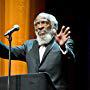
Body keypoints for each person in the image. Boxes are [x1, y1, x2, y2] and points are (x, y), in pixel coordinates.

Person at [0, 12, 75, 90]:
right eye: (36, 24)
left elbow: (71, 62)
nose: (39, 27)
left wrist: (63, 46)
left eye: (44, 22)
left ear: (54, 26)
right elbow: (7, 52)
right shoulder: (29, 45)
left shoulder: (64, 43)